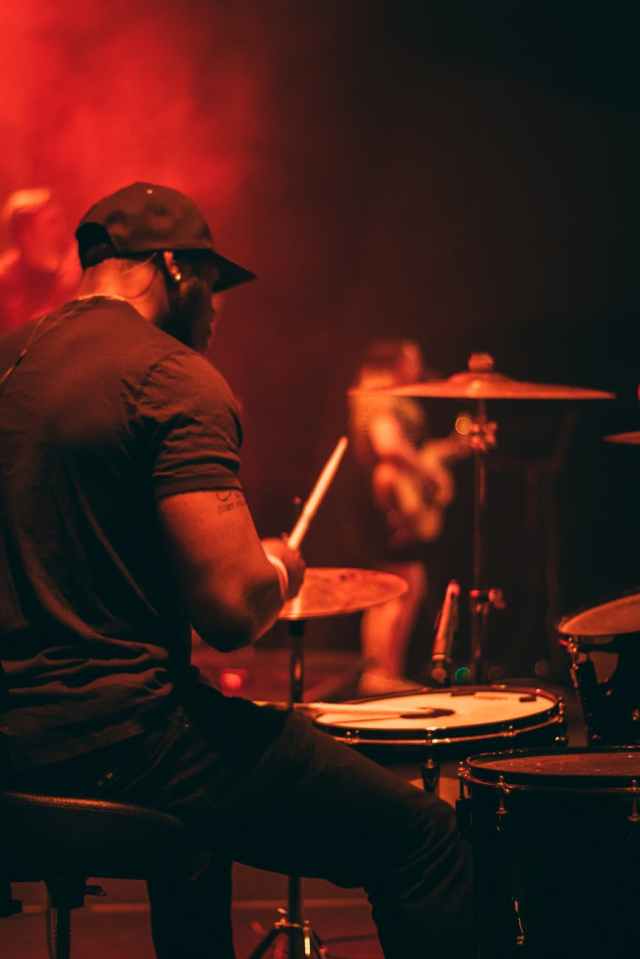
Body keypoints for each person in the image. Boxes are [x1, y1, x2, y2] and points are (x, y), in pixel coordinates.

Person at [0, 182, 474, 958]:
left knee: (196, 840)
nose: (218, 310)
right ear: (172, 268)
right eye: (214, 286)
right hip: (127, 742)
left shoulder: (8, 363)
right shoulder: (171, 378)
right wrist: (279, 569)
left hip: (13, 744)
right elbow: (228, 610)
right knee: (426, 838)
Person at [349, 340, 467, 693]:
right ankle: (378, 675)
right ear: (396, 361)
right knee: (393, 588)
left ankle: (386, 672)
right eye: (412, 359)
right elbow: (389, 446)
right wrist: (429, 475)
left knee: (407, 583)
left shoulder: (382, 396)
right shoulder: (378, 397)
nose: (418, 366)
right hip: (390, 499)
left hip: (393, 496)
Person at [0, 187, 81, 333]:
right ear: (26, 235)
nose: (62, 229)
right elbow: (24, 339)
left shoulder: (61, 269)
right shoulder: (6, 282)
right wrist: (63, 293)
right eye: (52, 223)